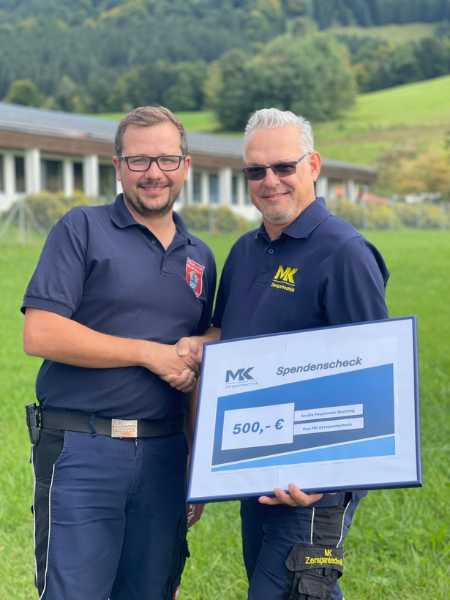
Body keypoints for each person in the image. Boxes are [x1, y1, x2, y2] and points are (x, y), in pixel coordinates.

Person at [21, 106, 216, 600]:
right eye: (139, 160)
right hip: (82, 449)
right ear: (118, 166)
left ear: (186, 166)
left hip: (164, 454)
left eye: (167, 160)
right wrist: (148, 354)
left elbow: (200, 362)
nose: (154, 173)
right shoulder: (81, 228)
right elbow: (40, 332)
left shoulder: (200, 256)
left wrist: (197, 465)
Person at [208, 108, 389, 600]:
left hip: (312, 487)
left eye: (284, 167)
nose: (270, 181)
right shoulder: (244, 252)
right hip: (255, 471)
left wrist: (329, 475)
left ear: (313, 165)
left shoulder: (344, 252)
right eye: (256, 171)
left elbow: (376, 377)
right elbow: (227, 344)